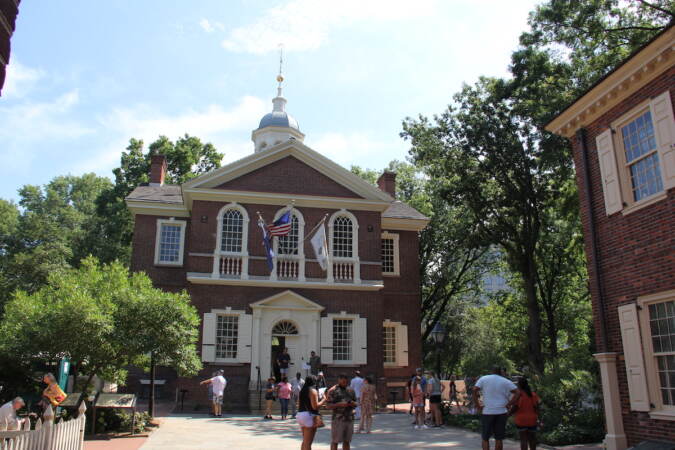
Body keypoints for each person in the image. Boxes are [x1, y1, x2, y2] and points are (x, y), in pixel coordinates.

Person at [474, 367, 518, 450]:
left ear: (491, 371)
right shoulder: (505, 381)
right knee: (499, 438)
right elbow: (517, 392)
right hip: (501, 412)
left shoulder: (484, 379)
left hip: (487, 412)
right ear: (501, 372)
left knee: (485, 438)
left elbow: (474, 390)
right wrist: (509, 404)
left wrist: (478, 405)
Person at [326, 374, 357, 450]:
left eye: (346, 381)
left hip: (349, 419)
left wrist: (353, 404)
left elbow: (356, 403)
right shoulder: (333, 391)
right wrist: (339, 404)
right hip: (338, 419)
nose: (344, 383)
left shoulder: (351, 390)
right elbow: (328, 406)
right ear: (339, 380)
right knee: (335, 441)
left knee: (347, 441)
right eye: (343, 381)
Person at [509, 377, 541, 450]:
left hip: (521, 420)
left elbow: (515, 407)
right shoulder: (533, 394)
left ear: (519, 385)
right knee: (532, 439)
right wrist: (539, 418)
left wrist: (508, 414)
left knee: (524, 440)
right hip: (532, 419)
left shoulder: (518, 395)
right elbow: (537, 407)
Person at [297, 375, 326, 450]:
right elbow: (315, 406)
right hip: (309, 416)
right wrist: (324, 400)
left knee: (305, 441)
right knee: (308, 442)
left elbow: (299, 404)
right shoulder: (312, 391)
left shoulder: (302, 391)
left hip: (300, 415)